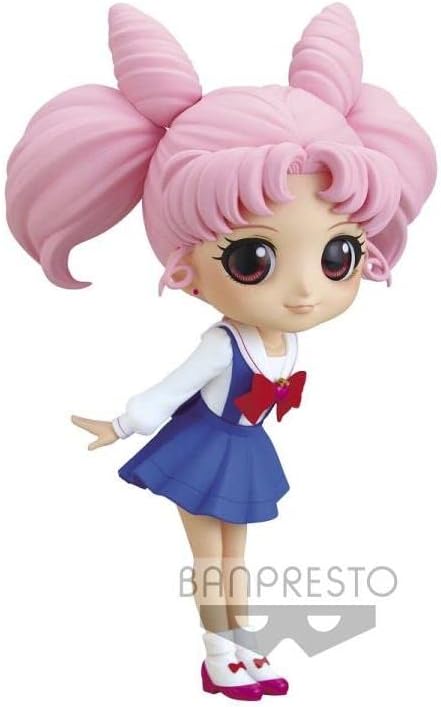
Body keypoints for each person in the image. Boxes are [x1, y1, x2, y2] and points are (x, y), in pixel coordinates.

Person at [5, 2, 436, 700]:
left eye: (338, 255)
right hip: (200, 452)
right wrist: (119, 424)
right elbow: (171, 389)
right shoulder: (222, 342)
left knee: (236, 559)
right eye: (252, 259)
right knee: (213, 563)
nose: (306, 290)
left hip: (245, 448)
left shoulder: (285, 338)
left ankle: (243, 650)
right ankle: (217, 657)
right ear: (185, 266)